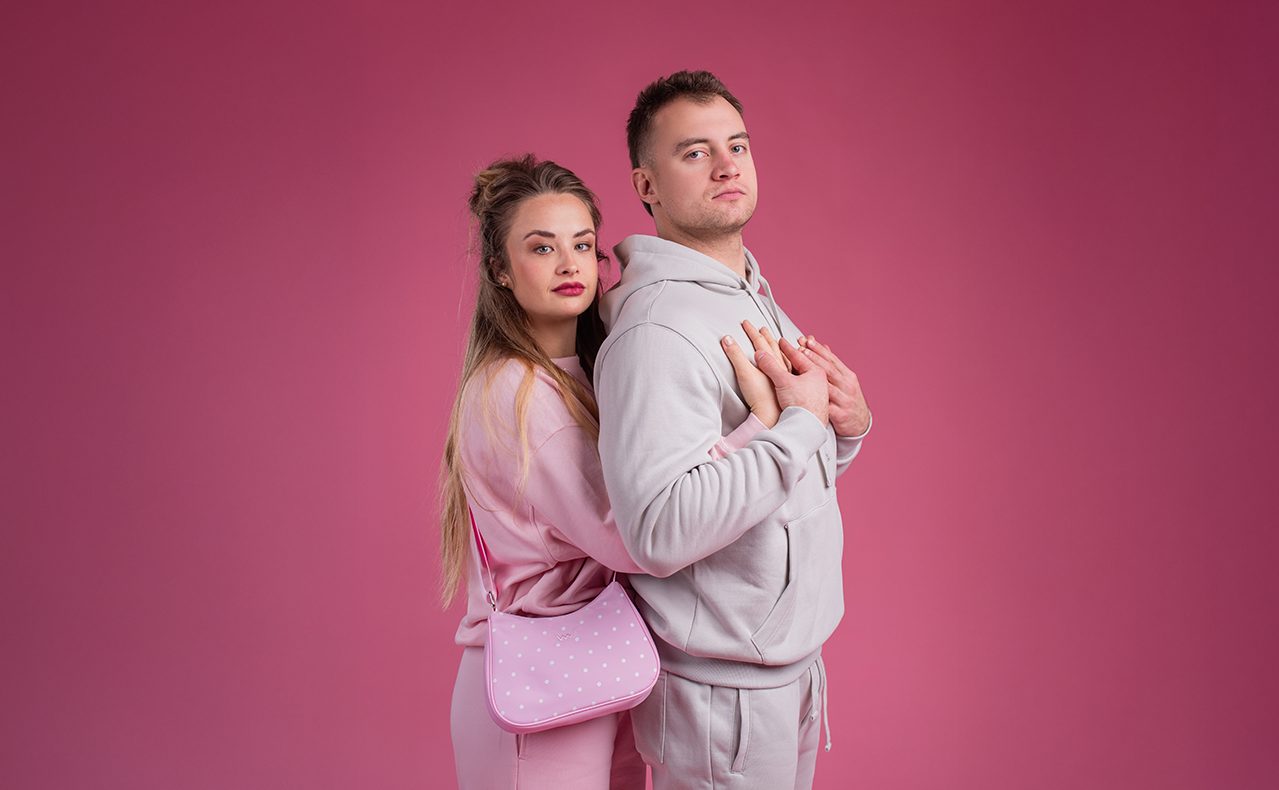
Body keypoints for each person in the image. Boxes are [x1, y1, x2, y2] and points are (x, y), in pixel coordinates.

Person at [440, 154, 787, 789]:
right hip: (541, 686)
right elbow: (637, 534)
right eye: (541, 248)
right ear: (499, 269)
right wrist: (759, 428)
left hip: (601, 661)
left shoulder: (591, 373)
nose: (569, 264)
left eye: (582, 245)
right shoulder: (516, 394)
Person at [593, 71, 874, 789]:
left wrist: (843, 429)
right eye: (694, 153)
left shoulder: (746, 291)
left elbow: (774, 483)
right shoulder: (657, 331)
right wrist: (800, 423)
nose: (726, 166)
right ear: (646, 185)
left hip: (785, 670)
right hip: (724, 699)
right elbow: (658, 530)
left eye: (737, 146)